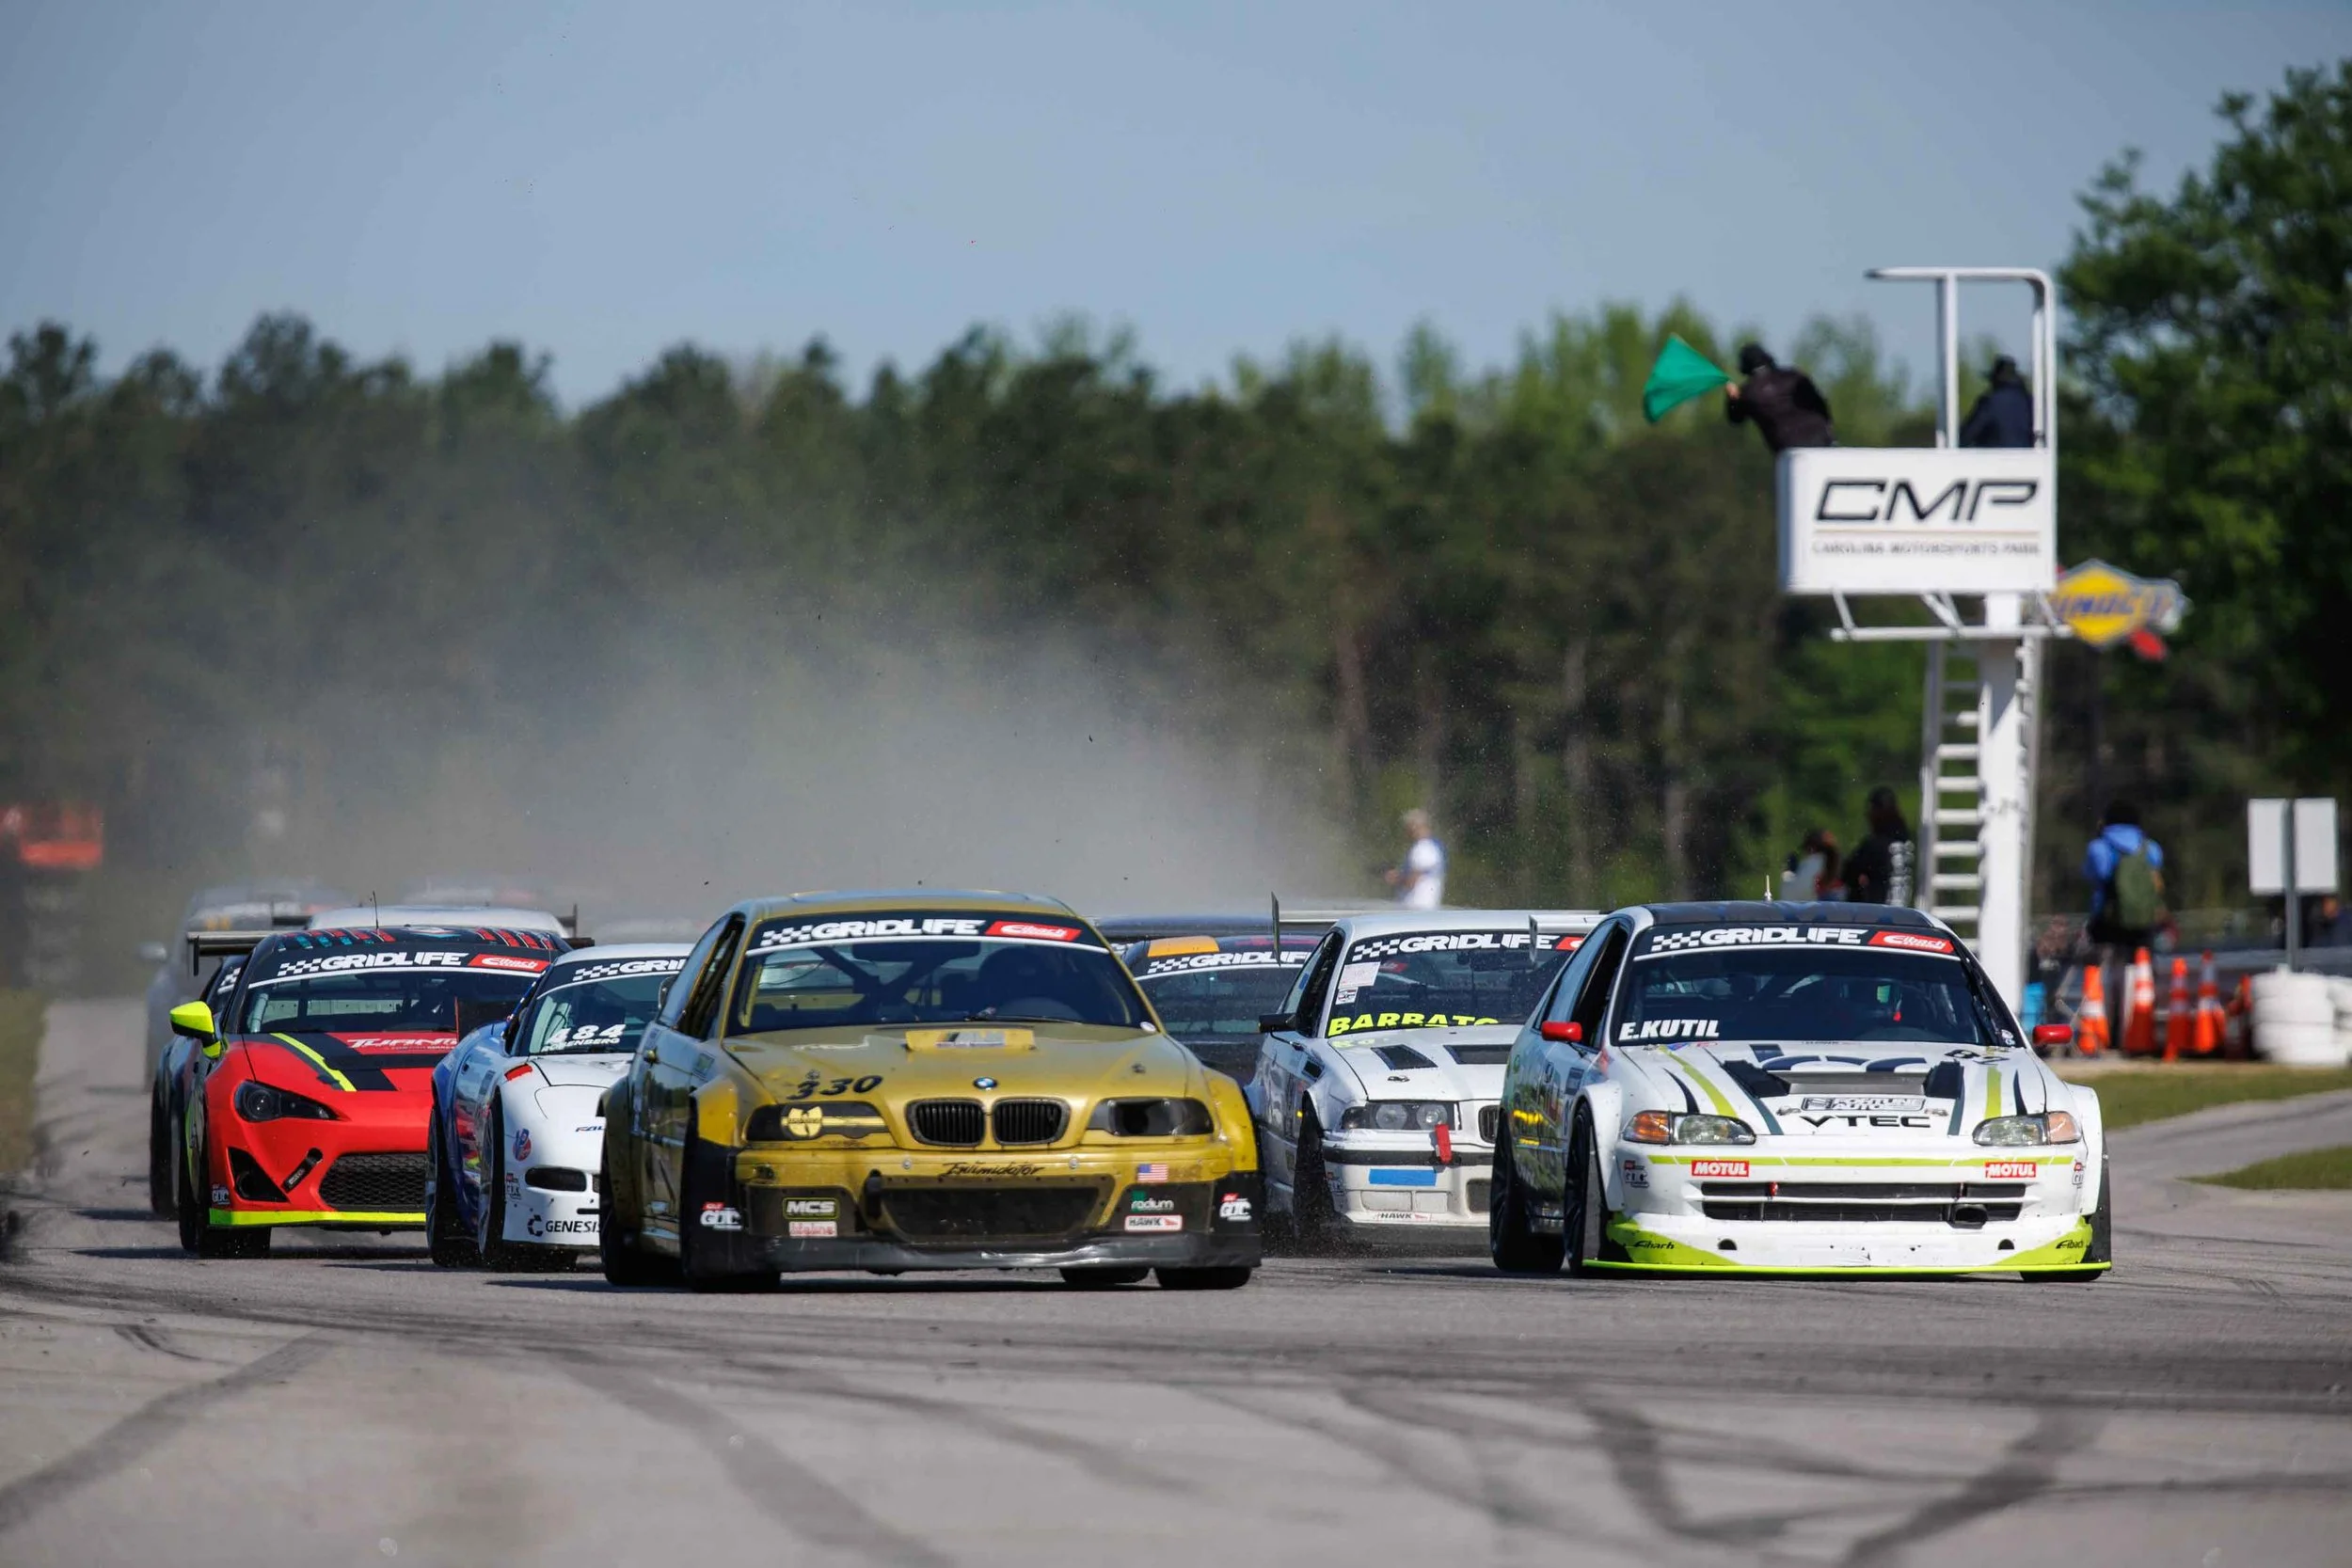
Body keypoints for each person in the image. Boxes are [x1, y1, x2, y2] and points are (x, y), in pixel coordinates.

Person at [2085, 801, 2165, 952]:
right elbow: (2157, 882)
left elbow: (2092, 877)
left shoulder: (2098, 847)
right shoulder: (2150, 848)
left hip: (2108, 918)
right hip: (2144, 919)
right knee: (2142, 963)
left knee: (2103, 962)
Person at [1724, 343, 1834, 453]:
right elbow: (1821, 405)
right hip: (1823, 440)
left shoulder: (1748, 392)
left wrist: (1732, 399)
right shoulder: (1794, 376)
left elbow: (1735, 419)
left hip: (1789, 451)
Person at [1842, 787, 1916, 906]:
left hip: (1880, 913)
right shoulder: (1907, 845)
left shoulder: (1875, 845)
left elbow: (1848, 873)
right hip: (1904, 910)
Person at [1960, 355, 2035, 449]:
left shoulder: (1990, 402)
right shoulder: (2030, 402)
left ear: (1995, 380)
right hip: (2028, 460)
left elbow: (1967, 435)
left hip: (1996, 459)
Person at [1385, 808, 1446, 910]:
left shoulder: (1422, 848)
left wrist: (1395, 878)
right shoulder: (1434, 846)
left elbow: (1412, 881)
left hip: (1415, 907)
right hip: (1427, 907)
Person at [1781, 828, 1843, 901]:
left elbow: (1798, 893)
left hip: (1814, 908)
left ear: (1811, 848)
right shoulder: (1838, 866)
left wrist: (1789, 873)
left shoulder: (1813, 863)